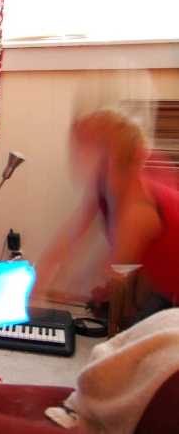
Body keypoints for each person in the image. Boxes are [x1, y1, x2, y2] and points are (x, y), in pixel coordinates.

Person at [32, 107, 179, 321]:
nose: (75, 159)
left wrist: (64, 286)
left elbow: (112, 264)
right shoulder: (104, 187)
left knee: (141, 345)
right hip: (166, 285)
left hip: (173, 288)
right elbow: (71, 234)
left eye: (83, 150)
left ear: (111, 158)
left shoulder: (138, 207)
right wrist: (39, 279)